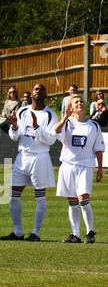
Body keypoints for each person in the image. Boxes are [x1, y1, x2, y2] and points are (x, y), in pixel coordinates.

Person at [0, 83, 58, 242]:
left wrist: (36, 127)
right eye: (36, 89)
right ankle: (18, 232)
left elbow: (52, 140)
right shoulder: (22, 110)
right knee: (13, 195)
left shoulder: (50, 115)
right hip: (22, 157)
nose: (38, 91)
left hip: (39, 157)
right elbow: (15, 137)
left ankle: (36, 233)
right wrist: (14, 126)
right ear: (31, 93)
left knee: (40, 197)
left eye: (41, 89)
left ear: (45, 95)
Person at [54, 94, 105, 244]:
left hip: (85, 167)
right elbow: (55, 131)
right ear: (71, 107)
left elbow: (99, 149)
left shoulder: (94, 126)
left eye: (81, 101)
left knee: (83, 199)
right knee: (72, 201)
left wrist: (100, 169)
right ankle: (75, 234)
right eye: (76, 102)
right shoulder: (68, 124)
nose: (79, 103)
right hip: (68, 166)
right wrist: (64, 118)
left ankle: (90, 232)